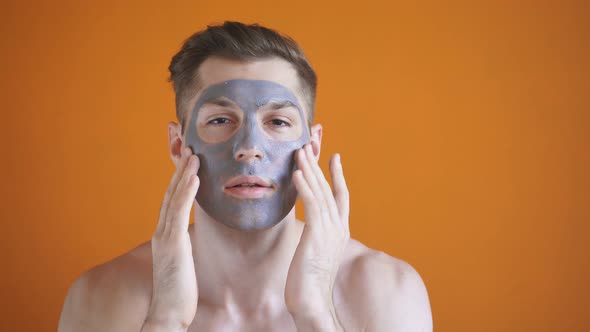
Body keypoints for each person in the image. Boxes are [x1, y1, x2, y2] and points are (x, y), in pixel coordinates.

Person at [58, 21, 433, 331]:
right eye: (220, 120)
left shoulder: (387, 293)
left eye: (278, 121)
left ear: (312, 147)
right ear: (178, 145)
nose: (249, 148)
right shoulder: (102, 298)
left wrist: (316, 313)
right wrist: (165, 318)